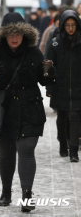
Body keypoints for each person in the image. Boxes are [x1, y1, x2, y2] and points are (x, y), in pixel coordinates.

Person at [0, 12, 55, 212]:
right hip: (4, 110)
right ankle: (6, 190)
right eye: (10, 33)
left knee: (27, 150)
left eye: (18, 33)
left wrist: (48, 72)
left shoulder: (33, 52)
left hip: (30, 108)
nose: (14, 38)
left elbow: (44, 79)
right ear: (3, 35)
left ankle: (27, 194)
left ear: (24, 34)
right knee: (7, 152)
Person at [47, 9, 81, 162]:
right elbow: (48, 66)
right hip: (60, 86)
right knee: (62, 117)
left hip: (77, 86)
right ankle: (62, 141)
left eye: (73, 25)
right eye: (67, 25)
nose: (71, 28)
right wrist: (49, 87)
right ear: (62, 26)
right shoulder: (56, 43)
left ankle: (73, 150)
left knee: (75, 116)